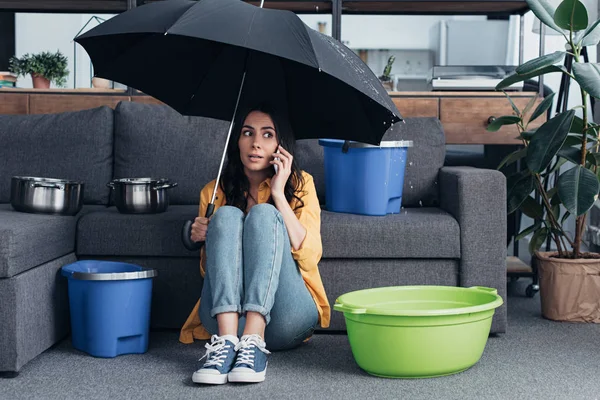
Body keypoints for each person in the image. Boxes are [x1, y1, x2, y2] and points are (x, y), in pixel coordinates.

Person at [180, 104, 331, 385]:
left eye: (267, 135)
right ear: (237, 140)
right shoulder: (214, 192)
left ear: (280, 145)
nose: (256, 143)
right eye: (248, 133)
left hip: (287, 318)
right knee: (226, 215)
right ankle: (226, 344)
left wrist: (278, 195)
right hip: (226, 321)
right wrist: (201, 236)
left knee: (264, 214)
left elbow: (309, 256)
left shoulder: (301, 184)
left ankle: (254, 338)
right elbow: (208, 273)